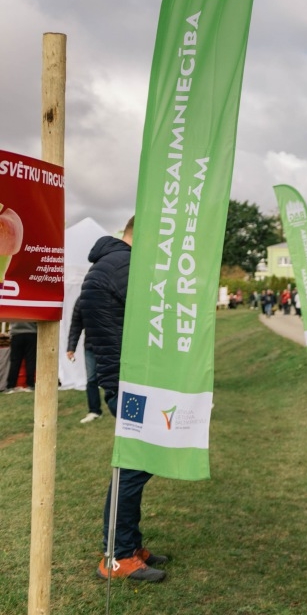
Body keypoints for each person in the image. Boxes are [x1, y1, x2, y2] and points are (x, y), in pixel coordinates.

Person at [78, 217, 168, 582]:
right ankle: (118, 556)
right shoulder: (124, 265)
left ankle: (127, 545)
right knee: (133, 466)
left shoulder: (109, 263)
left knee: (136, 464)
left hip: (125, 381)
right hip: (130, 385)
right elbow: (157, 315)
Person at [67, 296, 105, 422]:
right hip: (91, 346)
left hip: (110, 345)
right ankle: (94, 411)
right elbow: (76, 325)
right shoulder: (82, 300)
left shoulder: (108, 295)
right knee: (91, 378)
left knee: (115, 377)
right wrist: (71, 347)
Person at [5, 320, 37, 392]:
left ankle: (10, 385)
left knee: (15, 361)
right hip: (31, 332)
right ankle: (30, 384)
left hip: (16, 333)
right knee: (30, 360)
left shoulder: (13, 307)